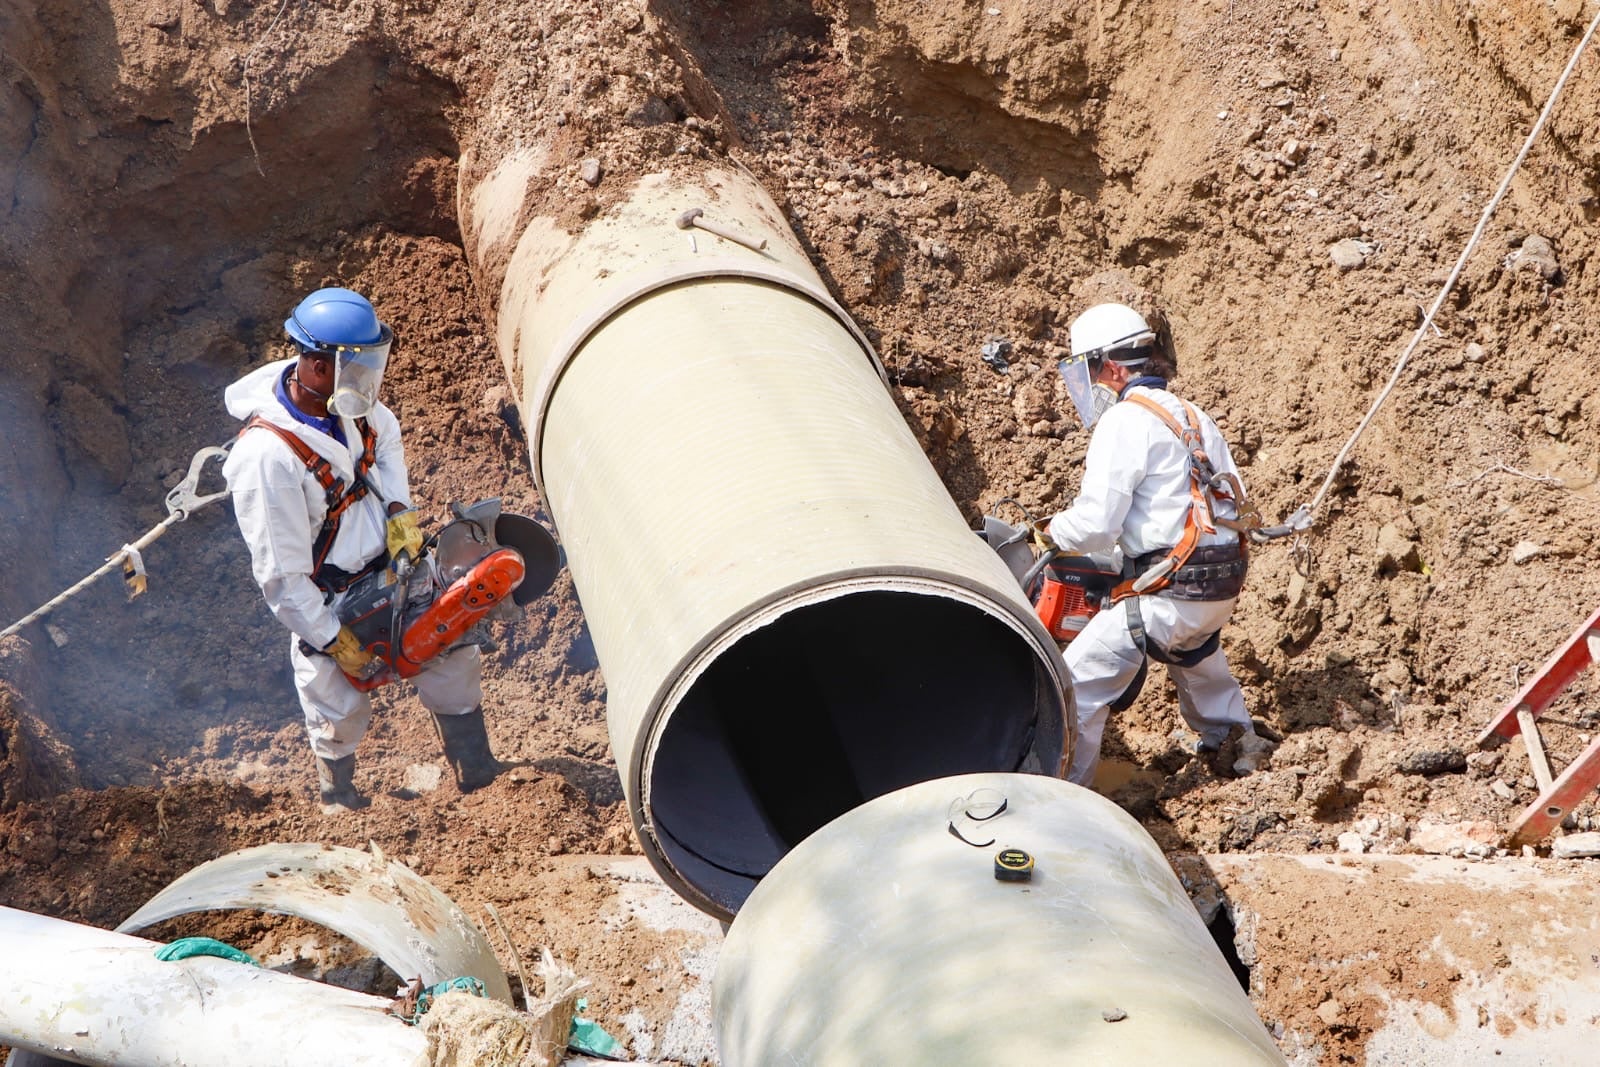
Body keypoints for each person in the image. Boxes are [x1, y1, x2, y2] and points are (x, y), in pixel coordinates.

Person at [221, 286, 500, 813]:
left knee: (452, 649)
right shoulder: (267, 460)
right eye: (361, 364)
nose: (372, 377)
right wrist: (333, 640)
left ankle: (479, 776)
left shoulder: (354, 405)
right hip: (328, 597)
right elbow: (282, 578)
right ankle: (340, 799)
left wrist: (400, 517)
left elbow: (386, 441)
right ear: (320, 364)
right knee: (337, 706)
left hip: (390, 569)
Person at [1048, 301, 1273, 787]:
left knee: (1075, 686)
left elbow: (1095, 526)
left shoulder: (1125, 421)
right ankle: (1235, 744)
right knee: (1196, 657)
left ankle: (1066, 796)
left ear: (1108, 366)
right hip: (1218, 588)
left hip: (1171, 594)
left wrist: (1052, 532)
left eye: (1088, 370)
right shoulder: (1193, 415)